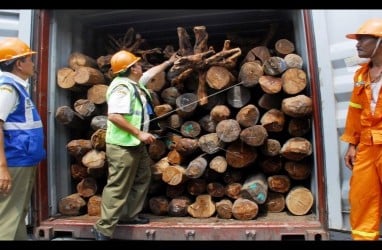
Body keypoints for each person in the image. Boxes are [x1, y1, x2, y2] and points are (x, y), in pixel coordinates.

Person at [92, 50, 178, 240]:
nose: (141, 66)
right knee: (118, 186)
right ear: (132, 69)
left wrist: (168, 62)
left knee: (142, 177)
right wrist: (139, 133)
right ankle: (103, 228)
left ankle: (128, 215)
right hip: (123, 145)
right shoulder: (122, 88)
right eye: (137, 64)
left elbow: (150, 74)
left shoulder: (134, 83)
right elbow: (114, 116)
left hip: (134, 144)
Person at [0, 37, 46, 240]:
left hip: (23, 159)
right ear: (19, 63)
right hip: (14, 161)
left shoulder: (17, 87)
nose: (33, 63)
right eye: (30, 59)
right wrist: (2, 168)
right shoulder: (7, 89)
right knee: (9, 216)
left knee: (18, 213)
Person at [341, 18, 382, 240]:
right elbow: (355, 112)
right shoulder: (361, 75)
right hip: (366, 146)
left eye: (362, 39)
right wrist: (352, 144)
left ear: (379, 42)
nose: (357, 44)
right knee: (362, 199)